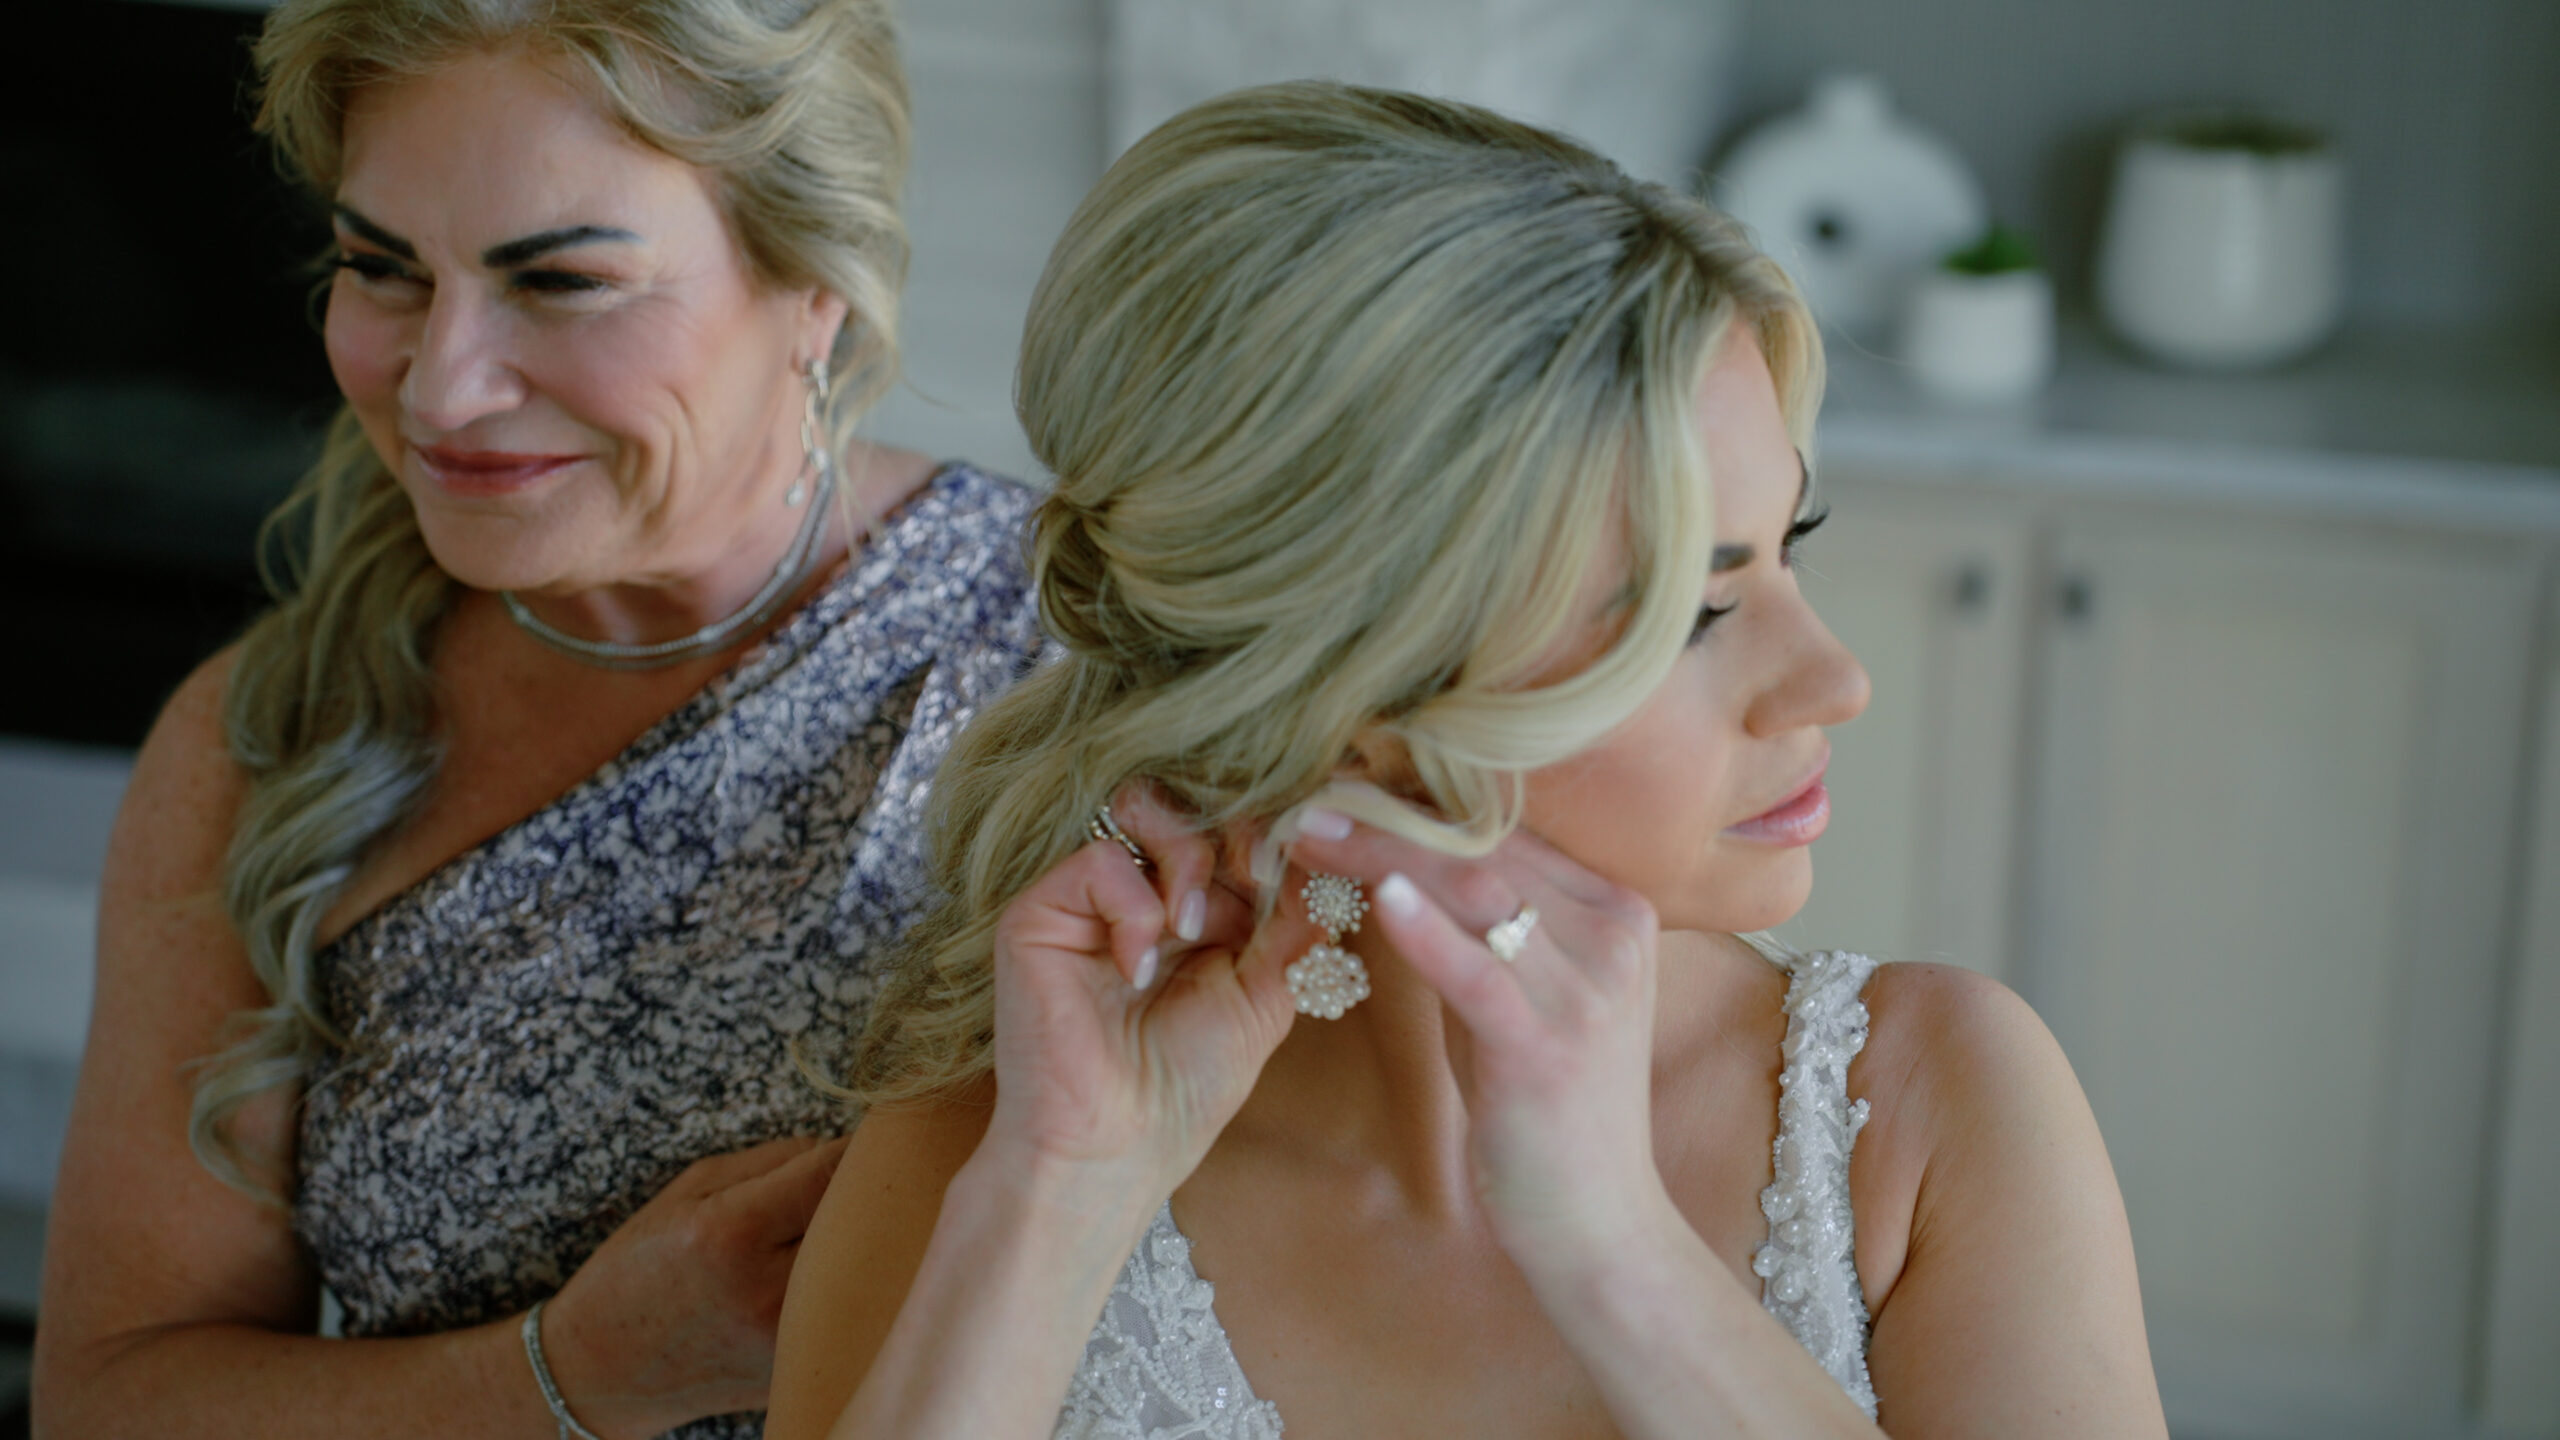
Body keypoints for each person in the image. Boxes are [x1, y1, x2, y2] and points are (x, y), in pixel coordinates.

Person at [765, 82, 2169, 1439]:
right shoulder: (998, 1138)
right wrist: (1063, 1198)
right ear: (1351, 685)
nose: (1836, 680)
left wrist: (1618, 1246)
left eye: (1785, 548)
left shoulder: (1928, 1108)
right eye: (1697, 610)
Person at [32, 1, 1042, 1435]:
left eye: (560, 282)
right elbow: (113, 1402)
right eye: (381, 269)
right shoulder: (269, 739)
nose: (443, 386)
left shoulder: (1068, 673)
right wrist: (583, 1370)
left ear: (811, 283)